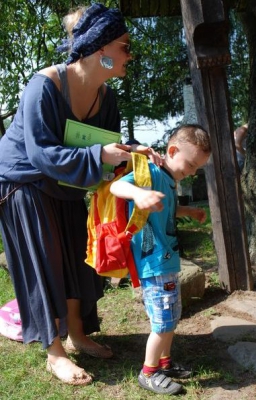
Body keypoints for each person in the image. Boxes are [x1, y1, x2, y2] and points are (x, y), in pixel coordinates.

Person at [0, 2, 161, 387]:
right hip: (23, 180)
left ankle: (77, 333)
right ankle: (54, 352)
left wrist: (130, 152)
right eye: (124, 46)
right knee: (45, 260)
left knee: (77, 255)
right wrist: (98, 156)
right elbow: (41, 152)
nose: (129, 54)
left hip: (68, 182)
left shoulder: (107, 98)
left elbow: (105, 146)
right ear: (100, 48)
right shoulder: (45, 86)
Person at [110, 124, 211, 395]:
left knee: (172, 316)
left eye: (195, 169)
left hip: (166, 260)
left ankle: (164, 364)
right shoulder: (152, 173)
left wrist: (188, 210)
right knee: (163, 321)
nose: (191, 172)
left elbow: (167, 210)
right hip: (153, 262)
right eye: (190, 165)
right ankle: (149, 372)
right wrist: (139, 193)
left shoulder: (168, 179)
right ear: (172, 150)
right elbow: (117, 187)